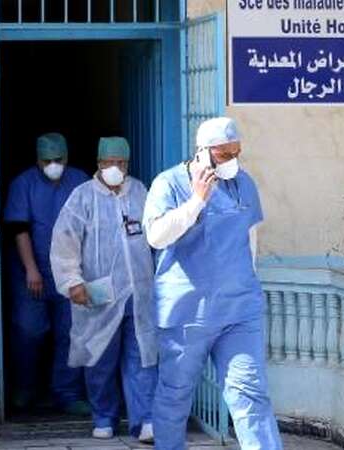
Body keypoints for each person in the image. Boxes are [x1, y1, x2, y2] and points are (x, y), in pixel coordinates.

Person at [143, 118, 283, 450]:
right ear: (202, 152)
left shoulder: (244, 183)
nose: (232, 161)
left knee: (250, 393)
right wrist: (196, 201)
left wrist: (247, 283)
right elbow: (156, 237)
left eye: (236, 153)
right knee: (175, 395)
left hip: (238, 309)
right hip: (186, 312)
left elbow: (250, 240)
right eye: (223, 155)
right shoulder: (168, 183)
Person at [50, 137, 158, 442]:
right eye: (109, 162)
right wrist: (72, 281)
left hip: (139, 293)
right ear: (98, 163)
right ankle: (103, 416)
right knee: (100, 357)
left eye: (121, 163)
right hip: (98, 294)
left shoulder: (139, 192)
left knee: (143, 355)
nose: (115, 168)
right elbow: (64, 240)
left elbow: (156, 234)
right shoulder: (82, 197)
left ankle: (145, 420)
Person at [3, 132, 90, 415]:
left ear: (67, 157)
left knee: (71, 332)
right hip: (32, 270)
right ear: (37, 160)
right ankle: (25, 388)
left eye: (59, 159)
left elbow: (92, 226)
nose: (53, 165)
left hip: (70, 271)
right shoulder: (24, 184)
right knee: (29, 330)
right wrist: (31, 269)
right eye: (47, 160)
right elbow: (19, 228)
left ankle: (68, 393)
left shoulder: (80, 181)